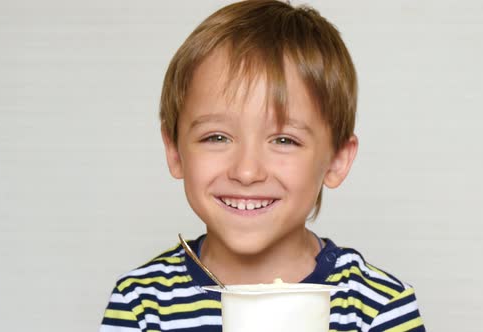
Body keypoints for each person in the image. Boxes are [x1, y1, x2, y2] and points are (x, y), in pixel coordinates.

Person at [100, 1, 425, 331]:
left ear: (337, 160)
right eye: (216, 137)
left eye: (284, 140)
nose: (246, 172)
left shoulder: (378, 308)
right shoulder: (141, 303)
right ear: (175, 151)